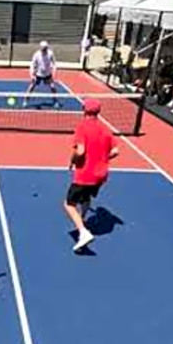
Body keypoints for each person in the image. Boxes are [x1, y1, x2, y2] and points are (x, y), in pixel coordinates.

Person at [64, 99, 119, 252]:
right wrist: (101, 159)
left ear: (84, 110)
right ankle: (82, 222)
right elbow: (115, 151)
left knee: (69, 204)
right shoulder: (106, 129)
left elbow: (80, 151)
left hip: (85, 174)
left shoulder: (82, 127)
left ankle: (83, 232)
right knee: (86, 198)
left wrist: (72, 160)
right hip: (100, 175)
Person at [23, 41, 60, 109]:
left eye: (45, 48)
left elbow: (54, 63)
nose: (44, 50)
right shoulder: (36, 55)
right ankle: (25, 101)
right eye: (43, 48)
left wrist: (54, 72)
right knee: (31, 87)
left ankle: (55, 101)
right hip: (38, 74)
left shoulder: (50, 53)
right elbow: (32, 65)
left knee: (53, 87)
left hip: (48, 74)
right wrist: (32, 75)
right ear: (41, 48)